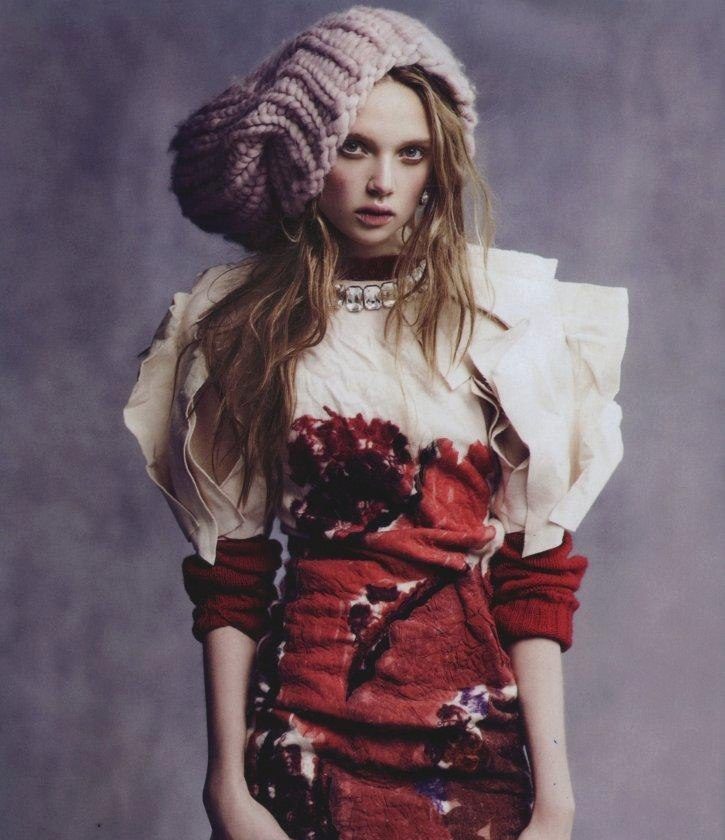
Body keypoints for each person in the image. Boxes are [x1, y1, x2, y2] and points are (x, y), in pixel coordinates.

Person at [123, 6, 628, 840]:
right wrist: (227, 789)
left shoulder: (505, 321)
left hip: (473, 753)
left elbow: (535, 575)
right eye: (354, 148)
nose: (382, 182)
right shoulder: (244, 328)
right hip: (300, 746)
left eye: (410, 153)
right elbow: (231, 573)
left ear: (439, 164)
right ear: (310, 158)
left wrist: (555, 804)